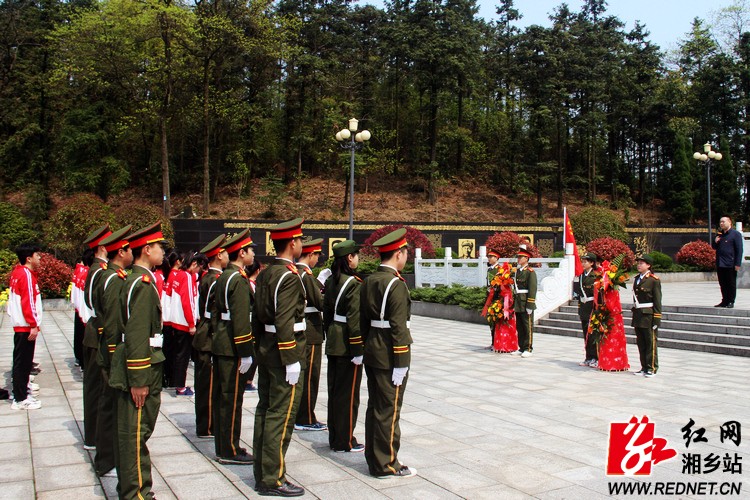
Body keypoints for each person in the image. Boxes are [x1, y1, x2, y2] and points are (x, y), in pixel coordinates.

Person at [110, 222, 166, 500]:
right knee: (135, 434)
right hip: (141, 365)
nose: (163, 252)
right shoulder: (142, 285)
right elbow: (136, 333)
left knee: (133, 431)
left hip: (139, 361)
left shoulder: (134, 279)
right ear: (147, 249)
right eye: (160, 247)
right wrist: (140, 379)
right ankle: (136, 494)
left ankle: (133, 489)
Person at [252, 218, 307, 497]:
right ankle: (273, 477)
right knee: (281, 415)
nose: (301, 244)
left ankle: (262, 472)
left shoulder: (265, 273)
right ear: (293, 243)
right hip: (285, 350)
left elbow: (257, 317)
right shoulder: (287, 276)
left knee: (265, 410)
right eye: (299, 240)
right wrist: (291, 358)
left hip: (267, 348)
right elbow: (285, 319)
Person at [360, 228, 417, 478]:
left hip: (373, 350)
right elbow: (398, 326)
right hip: (389, 355)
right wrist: (401, 361)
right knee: (390, 410)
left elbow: (361, 320)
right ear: (398, 254)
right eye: (406, 253)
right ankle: (387, 464)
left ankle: (374, 458)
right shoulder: (395, 284)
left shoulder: (370, 279)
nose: (407, 257)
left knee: (375, 407)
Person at [212, 229, 256, 465]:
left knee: (223, 397)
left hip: (222, 342)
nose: (253, 255)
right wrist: (245, 352)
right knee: (231, 399)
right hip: (232, 347)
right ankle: (229, 449)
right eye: (251, 250)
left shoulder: (224, 276)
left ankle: (223, 444)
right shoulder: (238, 280)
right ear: (242, 252)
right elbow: (240, 320)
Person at [93, 225, 133, 478]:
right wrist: (112, 353)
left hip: (111, 348)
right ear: (121, 252)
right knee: (110, 405)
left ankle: (108, 457)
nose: (132, 254)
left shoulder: (111, 275)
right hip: (112, 349)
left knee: (110, 404)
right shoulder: (112, 278)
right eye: (129, 249)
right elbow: (110, 319)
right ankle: (107, 459)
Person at [323, 239, 365, 452]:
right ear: (350, 257)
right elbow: (355, 321)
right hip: (348, 345)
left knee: (335, 392)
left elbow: (327, 314)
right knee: (348, 396)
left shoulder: (331, 281)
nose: (358, 258)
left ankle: (335, 437)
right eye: (356, 254)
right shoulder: (353, 284)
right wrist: (358, 349)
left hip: (333, 341)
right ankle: (345, 440)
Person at [81, 224, 113, 449]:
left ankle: (94, 434)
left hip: (95, 331)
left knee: (96, 386)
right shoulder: (99, 271)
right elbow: (94, 304)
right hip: (97, 333)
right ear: (103, 247)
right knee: (95, 387)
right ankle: (93, 436)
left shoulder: (99, 269)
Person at [193, 234, 227, 439]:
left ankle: (206, 423)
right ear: (218, 256)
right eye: (224, 252)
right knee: (208, 383)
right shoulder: (214, 280)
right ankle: (206, 425)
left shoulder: (209, 277)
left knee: (206, 382)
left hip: (204, 330)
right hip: (208, 335)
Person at [294, 238, 327, 432]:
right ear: (311, 255)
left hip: (304, 328)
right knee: (309, 377)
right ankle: (305, 417)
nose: (317, 260)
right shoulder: (305, 275)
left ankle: (303, 414)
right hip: (311, 331)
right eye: (317, 256)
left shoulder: (297, 272)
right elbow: (319, 302)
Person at [8, 243, 43, 410]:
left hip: (21, 325)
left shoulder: (17, 272)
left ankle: (21, 392)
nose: (40, 258)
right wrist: (33, 324)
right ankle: (20, 398)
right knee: (23, 363)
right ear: (29, 258)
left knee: (22, 362)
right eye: (37, 255)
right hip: (25, 326)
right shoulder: (26, 275)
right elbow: (28, 302)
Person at [170, 252, 202, 396]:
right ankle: (180, 386)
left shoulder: (179, 274)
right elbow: (187, 301)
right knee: (183, 356)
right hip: (184, 323)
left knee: (179, 355)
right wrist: (191, 323)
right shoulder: (187, 277)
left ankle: (178, 384)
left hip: (177, 321)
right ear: (194, 264)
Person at [631, 254, 661, 378]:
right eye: (638, 263)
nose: (639, 265)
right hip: (638, 314)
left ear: (648, 265)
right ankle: (643, 367)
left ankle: (652, 367)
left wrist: (657, 318)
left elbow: (657, 300)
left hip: (648, 315)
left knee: (650, 343)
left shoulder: (653, 280)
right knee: (641, 343)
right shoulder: (637, 278)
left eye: (641, 263)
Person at [712, 216, 743, 308]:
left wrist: (737, 263)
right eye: (720, 222)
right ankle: (724, 300)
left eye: (723, 222)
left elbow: (739, 249)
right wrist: (715, 241)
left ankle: (731, 301)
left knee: (731, 283)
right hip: (720, 263)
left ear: (729, 222)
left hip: (730, 263)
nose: (721, 224)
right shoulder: (720, 235)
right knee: (723, 283)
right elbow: (714, 247)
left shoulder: (735, 234)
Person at [574, 252, 598, 367]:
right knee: (586, 334)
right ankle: (588, 357)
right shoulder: (581, 276)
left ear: (592, 263)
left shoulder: (596, 276)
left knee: (593, 334)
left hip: (593, 308)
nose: (583, 263)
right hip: (583, 308)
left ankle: (596, 357)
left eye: (585, 261)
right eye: (582, 261)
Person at [513, 245, 537, 358]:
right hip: (518, 301)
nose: (518, 259)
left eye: (521, 257)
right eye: (518, 257)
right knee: (520, 326)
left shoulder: (530, 272)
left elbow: (532, 289)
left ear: (526, 259)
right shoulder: (517, 271)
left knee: (528, 326)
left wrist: (530, 304)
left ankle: (528, 348)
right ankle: (521, 347)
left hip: (526, 301)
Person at [244, 260, 262, 392]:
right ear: (257, 270)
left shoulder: (250, 283)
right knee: (253, 352)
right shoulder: (250, 285)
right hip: (251, 322)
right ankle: (248, 380)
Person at [485, 250, 500, 350]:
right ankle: (493, 342)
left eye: (491, 257)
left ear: (496, 258)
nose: (489, 259)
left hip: (498, 299)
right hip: (490, 298)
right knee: (491, 321)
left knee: (497, 321)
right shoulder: (489, 270)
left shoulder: (500, 269)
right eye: (488, 257)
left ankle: (498, 343)